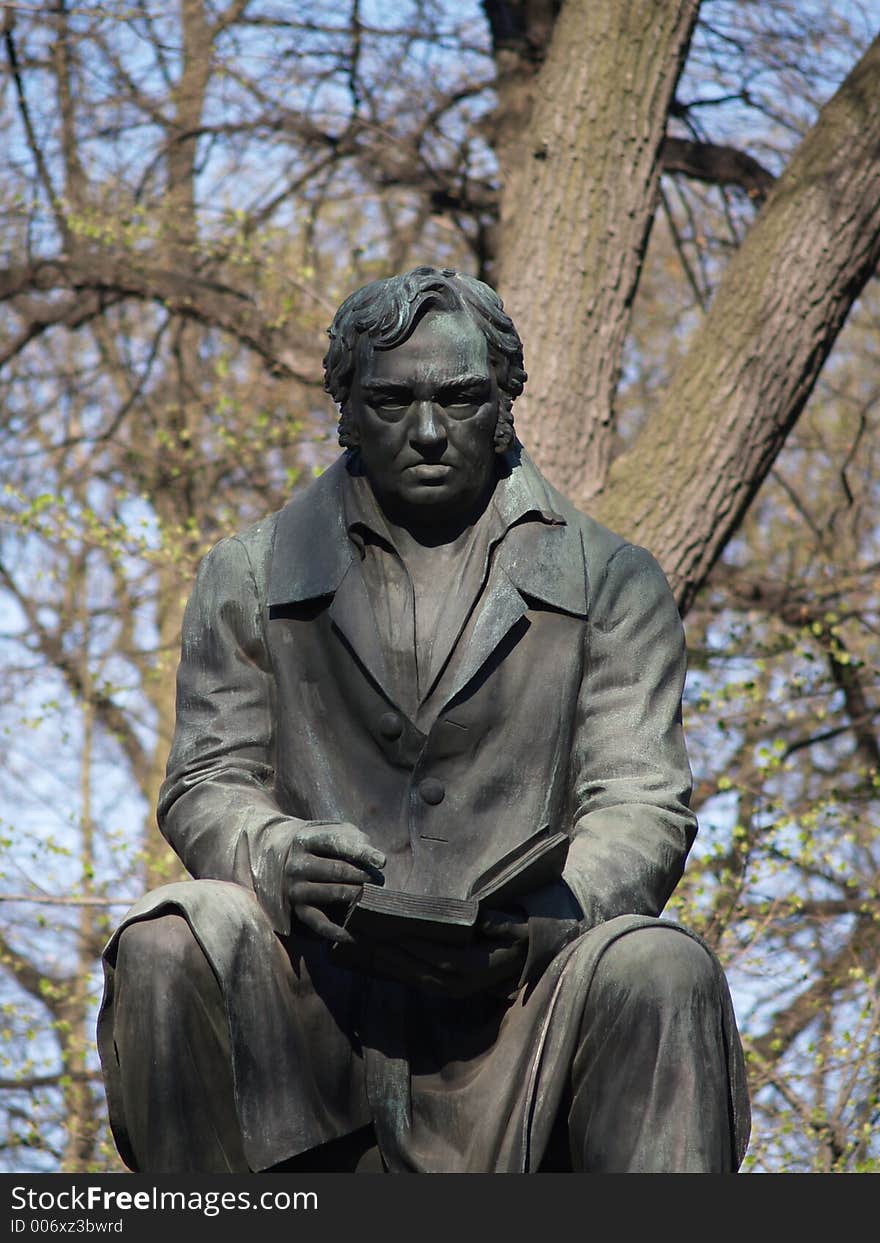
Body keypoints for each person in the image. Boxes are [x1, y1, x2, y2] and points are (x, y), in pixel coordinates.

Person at [97, 265, 750, 1174]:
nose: (431, 430)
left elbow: (641, 801)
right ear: (348, 408)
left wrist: (545, 921)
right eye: (394, 400)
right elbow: (210, 779)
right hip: (314, 1001)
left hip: (528, 1006)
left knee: (661, 966)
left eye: (463, 398)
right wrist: (276, 853)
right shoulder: (248, 574)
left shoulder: (611, 580)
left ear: (506, 403)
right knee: (168, 938)